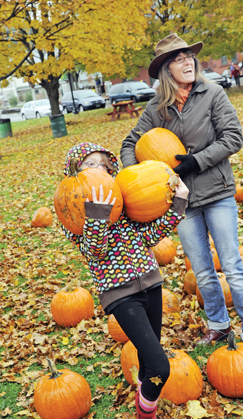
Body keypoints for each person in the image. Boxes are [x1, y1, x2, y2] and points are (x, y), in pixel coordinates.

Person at [120, 33, 243, 352]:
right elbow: (130, 144)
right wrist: (138, 175)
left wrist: (196, 161)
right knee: (201, 269)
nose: (187, 62)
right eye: (179, 58)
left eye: (189, 57)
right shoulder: (157, 108)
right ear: (166, 69)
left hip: (218, 193)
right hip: (180, 202)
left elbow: (233, 138)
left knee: (231, 263)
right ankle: (218, 325)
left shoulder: (212, 93)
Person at [61, 142, 189, 419]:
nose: (99, 170)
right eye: (90, 165)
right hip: (121, 295)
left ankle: (143, 395)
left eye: (104, 166)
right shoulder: (74, 212)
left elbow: (149, 236)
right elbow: (95, 250)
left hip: (151, 284)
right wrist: (98, 214)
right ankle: (146, 411)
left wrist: (179, 203)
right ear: (75, 172)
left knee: (146, 360)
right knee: (160, 365)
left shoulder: (125, 206)